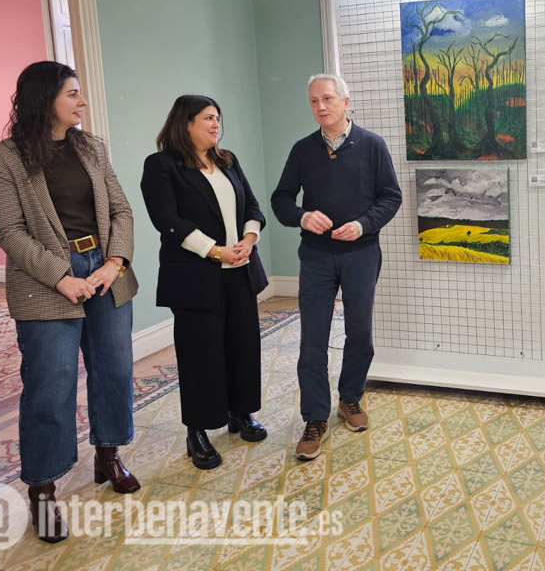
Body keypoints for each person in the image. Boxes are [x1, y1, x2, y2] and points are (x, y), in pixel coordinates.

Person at [0, 61, 140, 544]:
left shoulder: (91, 147)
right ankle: (43, 490)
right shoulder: (2, 160)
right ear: (44, 98)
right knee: (50, 386)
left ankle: (108, 453)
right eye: (72, 93)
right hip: (46, 283)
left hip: (106, 271)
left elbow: (120, 208)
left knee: (114, 368)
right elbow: (9, 231)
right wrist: (60, 277)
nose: (81, 102)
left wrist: (114, 263)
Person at [271, 73, 401, 461]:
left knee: (359, 332)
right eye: (313, 101)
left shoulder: (373, 146)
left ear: (347, 102)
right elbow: (281, 200)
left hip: (361, 254)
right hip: (315, 257)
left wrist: (363, 224)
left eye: (327, 99)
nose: (320, 107)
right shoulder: (302, 150)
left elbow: (391, 197)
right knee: (312, 338)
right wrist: (301, 215)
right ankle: (314, 418)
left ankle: (350, 398)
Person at [140, 95, 268, 470]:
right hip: (196, 278)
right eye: (209, 119)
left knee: (242, 346)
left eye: (218, 119)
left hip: (240, 272)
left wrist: (247, 241)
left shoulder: (228, 161)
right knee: (201, 356)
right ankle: (196, 431)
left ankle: (240, 413)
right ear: (186, 123)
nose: (216, 125)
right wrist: (216, 252)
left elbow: (253, 208)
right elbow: (167, 219)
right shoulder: (162, 165)